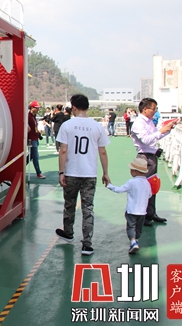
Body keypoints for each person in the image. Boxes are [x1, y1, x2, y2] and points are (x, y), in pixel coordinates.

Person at [55, 94, 110, 256]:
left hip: (71, 172)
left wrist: (61, 172)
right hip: (89, 173)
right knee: (88, 208)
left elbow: (63, 150)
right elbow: (102, 151)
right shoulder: (97, 126)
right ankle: (87, 244)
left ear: (73, 107)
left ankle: (68, 232)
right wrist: (105, 173)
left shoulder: (67, 125)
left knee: (69, 204)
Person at [130, 98, 177, 226]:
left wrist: (167, 130)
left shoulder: (149, 122)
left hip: (152, 156)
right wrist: (161, 131)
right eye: (153, 109)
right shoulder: (139, 123)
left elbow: (155, 136)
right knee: (144, 188)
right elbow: (146, 140)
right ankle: (142, 216)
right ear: (145, 109)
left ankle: (151, 213)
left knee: (152, 186)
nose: (155, 111)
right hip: (144, 157)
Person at [106, 157, 152, 254]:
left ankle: (133, 241)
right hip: (142, 211)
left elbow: (119, 190)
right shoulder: (147, 183)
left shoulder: (131, 182)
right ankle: (136, 240)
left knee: (131, 226)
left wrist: (109, 185)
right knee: (139, 227)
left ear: (135, 171)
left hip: (131, 210)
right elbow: (150, 195)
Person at [27, 101, 45, 179]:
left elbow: (34, 128)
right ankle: (38, 173)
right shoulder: (28, 116)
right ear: (32, 108)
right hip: (31, 139)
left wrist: (38, 134)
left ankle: (20, 167)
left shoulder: (33, 116)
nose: (38, 109)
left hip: (35, 138)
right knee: (35, 156)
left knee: (31, 156)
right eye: (36, 108)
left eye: (38, 108)